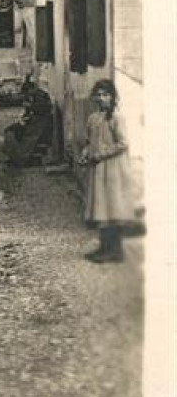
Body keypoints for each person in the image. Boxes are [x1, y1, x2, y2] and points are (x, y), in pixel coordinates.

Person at [79, 80, 133, 263]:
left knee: (112, 208)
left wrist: (101, 154)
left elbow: (123, 143)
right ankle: (104, 247)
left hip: (113, 170)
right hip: (97, 170)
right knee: (100, 209)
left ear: (112, 97)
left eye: (106, 95)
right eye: (99, 95)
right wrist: (85, 153)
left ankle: (115, 250)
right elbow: (88, 141)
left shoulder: (116, 118)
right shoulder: (93, 118)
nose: (102, 98)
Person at [3, 77, 54, 167]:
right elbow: (27, 111)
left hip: (42, 122)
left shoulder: (41, 95)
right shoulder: (30, 96)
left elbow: (44, 109)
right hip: (33, 121)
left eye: (27, 92)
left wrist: (31, 107)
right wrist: (23, 118)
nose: (27, 94)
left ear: (31, 89)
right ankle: (14, 157)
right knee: (10, 130)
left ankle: (22, 160)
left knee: (28, 138)